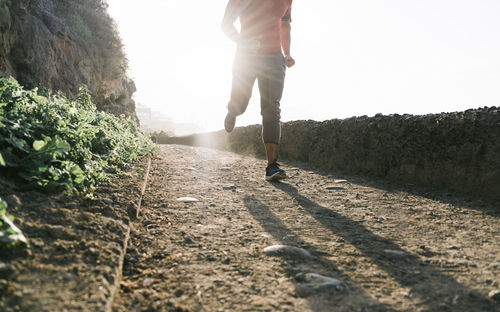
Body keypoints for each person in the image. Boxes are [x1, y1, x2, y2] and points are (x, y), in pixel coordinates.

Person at [221, 0, 295, 181]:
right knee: (241, 103)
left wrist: (287, 53)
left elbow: (285, 24)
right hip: (246, 58)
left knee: (272, 108)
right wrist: (243, 42)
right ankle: (233, 110)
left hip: (274, 59)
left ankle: (271, 166)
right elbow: (225, 24)